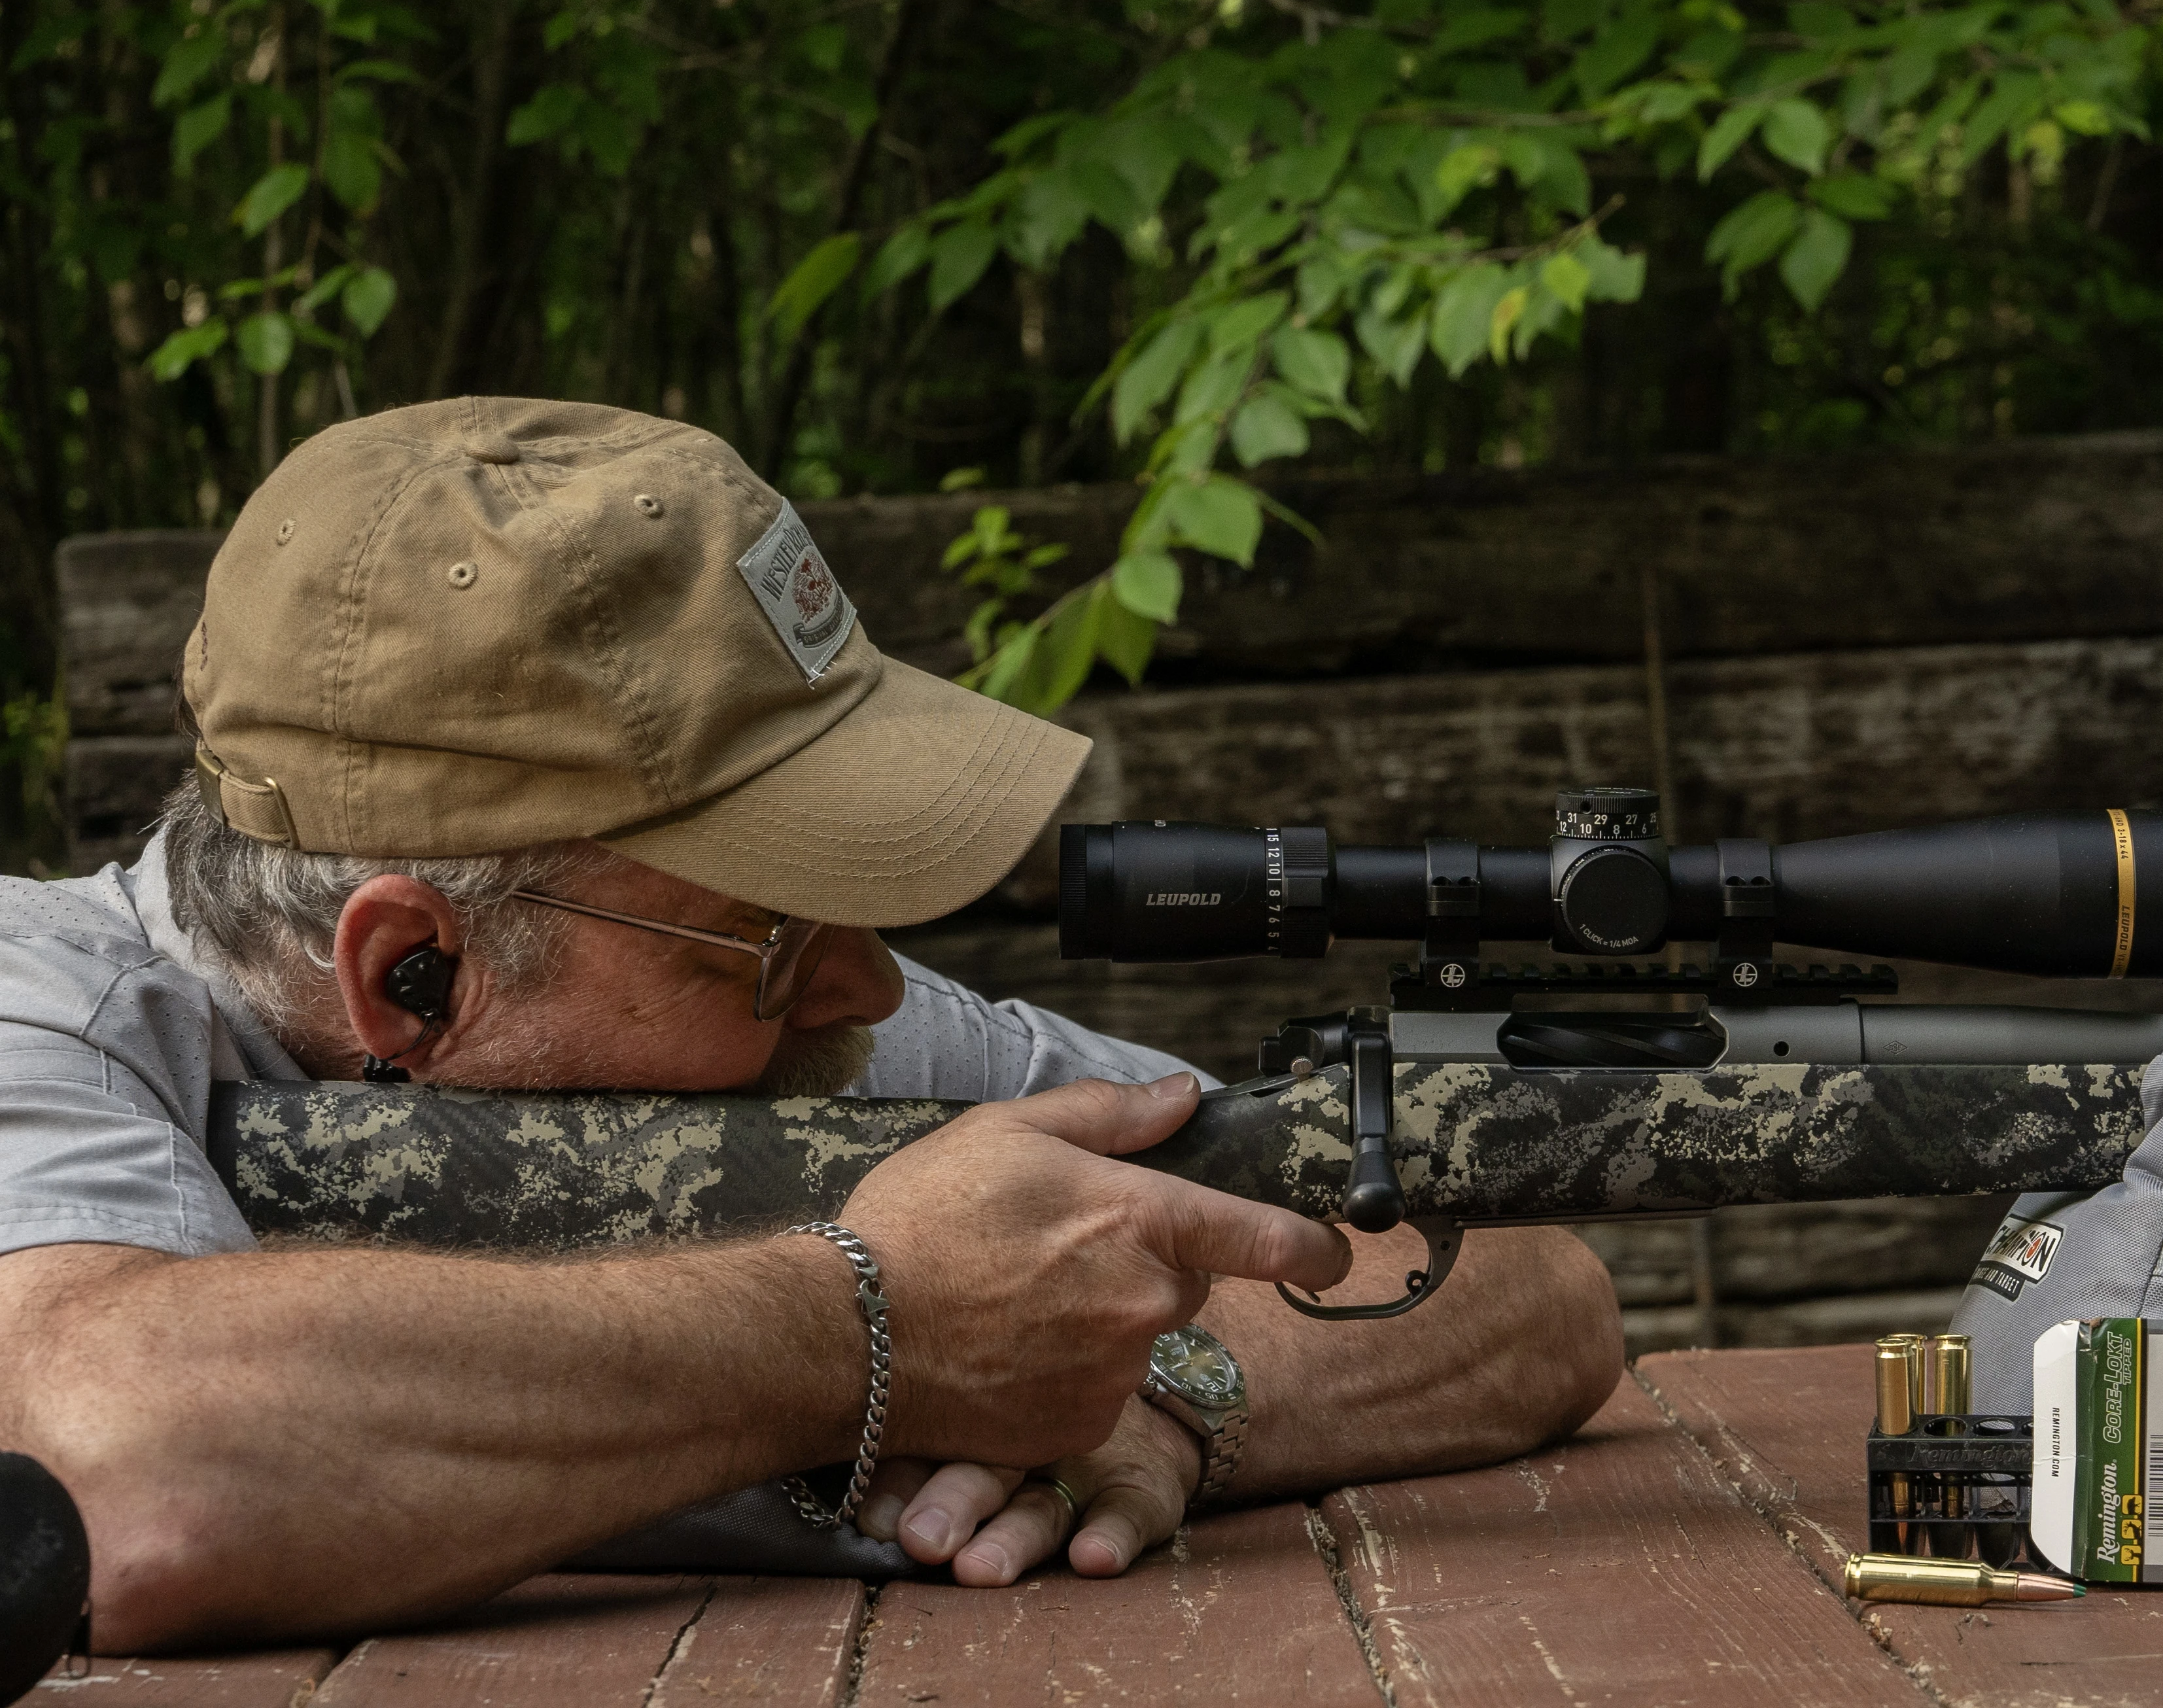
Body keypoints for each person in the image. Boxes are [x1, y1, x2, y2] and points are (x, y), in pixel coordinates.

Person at [0, 399, 1625, 1654]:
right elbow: (138, 1482)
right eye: (770, 935)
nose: (865, 987)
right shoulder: (38, 1007)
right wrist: (884, 1326)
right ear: (411, 971)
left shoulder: (819, 1030)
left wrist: (1166, 1385)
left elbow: (1520, 1281)